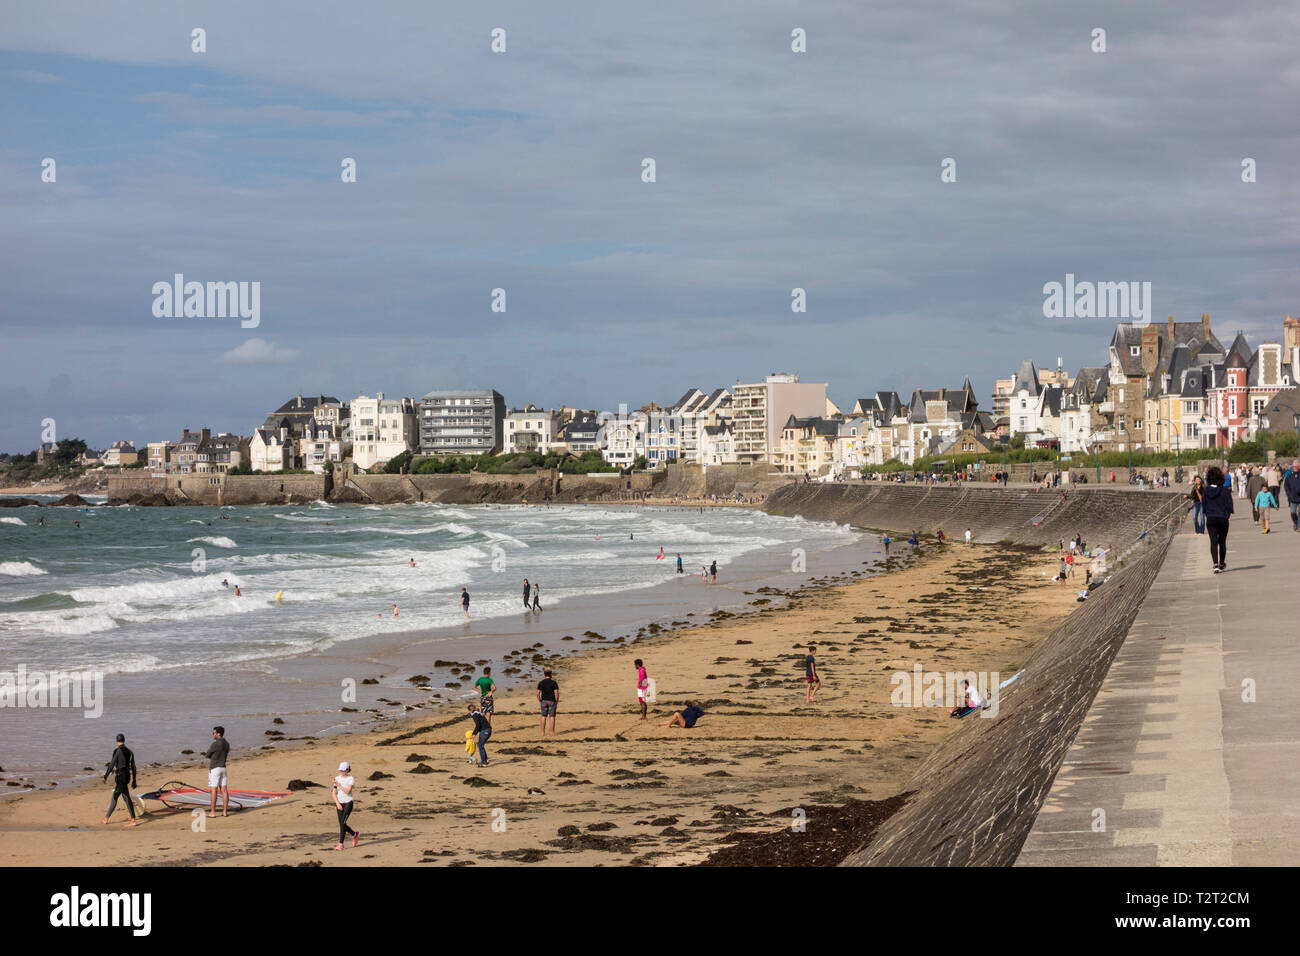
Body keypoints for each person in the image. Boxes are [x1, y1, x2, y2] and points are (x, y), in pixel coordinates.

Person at [101, 733, 138, 827]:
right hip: (127, 777)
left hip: (120, 777)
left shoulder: (117, 751)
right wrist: (134, 780)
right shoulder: (130, 752)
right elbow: (133, 767)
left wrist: (106, 775)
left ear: (117, 741)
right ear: (124, 740)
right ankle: (106, 818)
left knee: (124, 798)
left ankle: (133, 820)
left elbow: (112, 764)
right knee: (117, 796)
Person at [1202, 466, 1234, 572]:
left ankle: (1215, 564)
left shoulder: (1206, 491)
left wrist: (1207, 514)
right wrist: (1228, 514)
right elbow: (1229, 504)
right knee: (1222, 541)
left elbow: (1204, 505)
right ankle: (1221, 563)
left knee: (1213, 542)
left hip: (1211, 518)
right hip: (1222, 518)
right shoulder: (1224, 490)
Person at [205, 726, 230, 818]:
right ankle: (224, 812)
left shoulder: (215, 744)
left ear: (218, 733)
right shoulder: (227, 744)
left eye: (214, 733)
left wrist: (214, 755)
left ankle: (212, 812)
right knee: (224, 790)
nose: (213, 734)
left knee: (213, 790)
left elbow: (207, 755)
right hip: (223, 767)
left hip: (215, 768)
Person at [332, 761, 358, 850]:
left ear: (347, 770)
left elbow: (347, 791)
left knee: (343, 823)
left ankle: (340, 844)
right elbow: (334, 792)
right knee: (341, 824)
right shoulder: (337, 778)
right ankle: (354, 834)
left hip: (348, 803)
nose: (342, 772)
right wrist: (337, 803)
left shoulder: (351, 779)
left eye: (343, 770)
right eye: (341, 770)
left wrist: (339, 784)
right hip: (339, 803)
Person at [537, 667, 559, 735]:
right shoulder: (553, 682)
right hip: (552, 701)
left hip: (544, 701)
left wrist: (539, 700)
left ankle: (542, 732)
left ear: (544, 674)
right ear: (551, 674)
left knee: (543, 716)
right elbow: (556, 693)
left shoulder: (541, 682)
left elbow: (537, 693)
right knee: (552, 716)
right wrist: (556, 701)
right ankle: (552, 732)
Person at [468, 703, 491, 767]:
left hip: (485, 731)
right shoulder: (478, 713)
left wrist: (474, 734)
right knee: (481, 745)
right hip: (488, 730)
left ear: (470, 711)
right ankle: (485, 760)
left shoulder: (474, 714)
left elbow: (478, 725)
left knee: (480, 745)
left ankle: (484, 763)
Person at [1284, 460, 1300, 531]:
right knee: (1293, 512)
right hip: (1292, 497)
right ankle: (1295, 522)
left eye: (1297, 466)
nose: (1295, 467)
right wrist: (1289, 494)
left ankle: (1299, 526)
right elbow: (1286, 486)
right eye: (1294, 466)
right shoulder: (1289, 476)